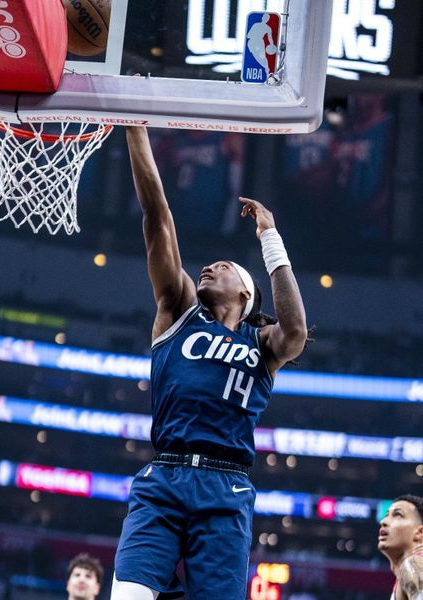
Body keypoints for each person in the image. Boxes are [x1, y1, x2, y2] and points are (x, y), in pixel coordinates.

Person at [111, 126, 308, 599]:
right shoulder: (178, 311)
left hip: (226, 487)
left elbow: (297, 330)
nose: (207, 267)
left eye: (221, 266)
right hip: (165, 476)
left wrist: (270, 238)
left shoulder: (262, 343)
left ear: (245, 290)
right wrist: (134, 128)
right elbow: (157, 218)